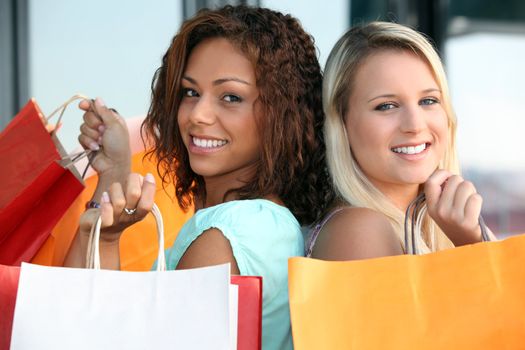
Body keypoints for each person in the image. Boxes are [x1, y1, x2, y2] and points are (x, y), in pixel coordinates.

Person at [64, 5, 332, 349]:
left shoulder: (228, 235)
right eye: (191, 92)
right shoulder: (254, 223)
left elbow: (78, 329)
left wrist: (106, 241)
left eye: (231, 97)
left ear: (284, 114)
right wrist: (113, 175)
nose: (198, 115)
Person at [307, 21, 494, 261]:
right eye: (386, 106)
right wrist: (473, 249)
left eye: (428, 100)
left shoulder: (440, 225)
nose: (415, 125)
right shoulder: (359, 229)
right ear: (341, 124)